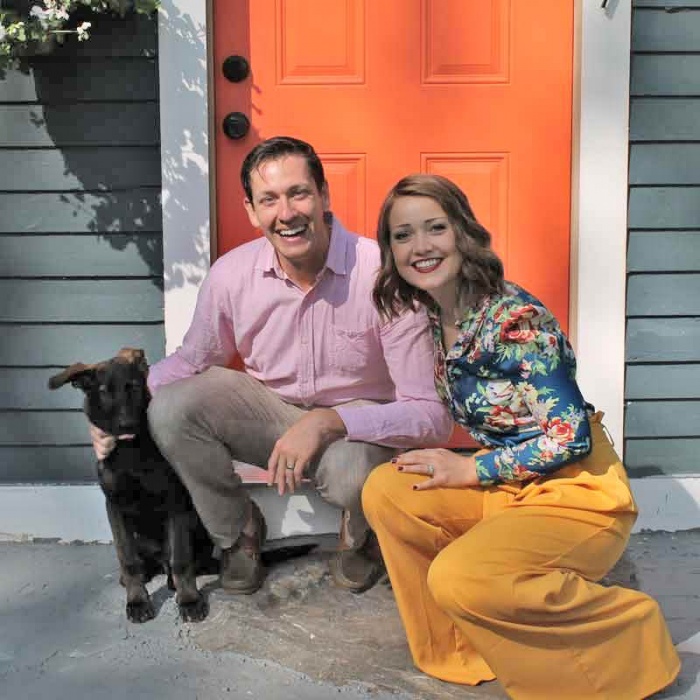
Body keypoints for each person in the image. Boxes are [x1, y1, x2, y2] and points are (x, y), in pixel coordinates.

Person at [362, 174, 680, 699]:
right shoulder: (436, 314)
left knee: (460, 577)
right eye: (403, 235)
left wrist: (470, 469)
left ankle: (629, 636)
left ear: (462, 233)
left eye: (435, 228)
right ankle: (463, 647)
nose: (420, 246)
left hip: (578, 492)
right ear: (390, 250)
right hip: (514, 483)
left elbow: (570, 435)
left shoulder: (515, 320)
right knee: (388, 489)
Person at [90, 137, 452, 595]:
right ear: (250, 210)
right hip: (269, 415)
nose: (286, 213)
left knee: (354, 472)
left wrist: (329, 421)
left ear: (324, 196)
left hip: (354, 428)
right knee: (171, 408)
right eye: (269, 200)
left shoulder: (381, 274)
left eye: (299, 193)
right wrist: (112, 418)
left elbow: (431, 416)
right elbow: (192, 361)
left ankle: (358, 536)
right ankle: (237, 534)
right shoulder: (231, 274)